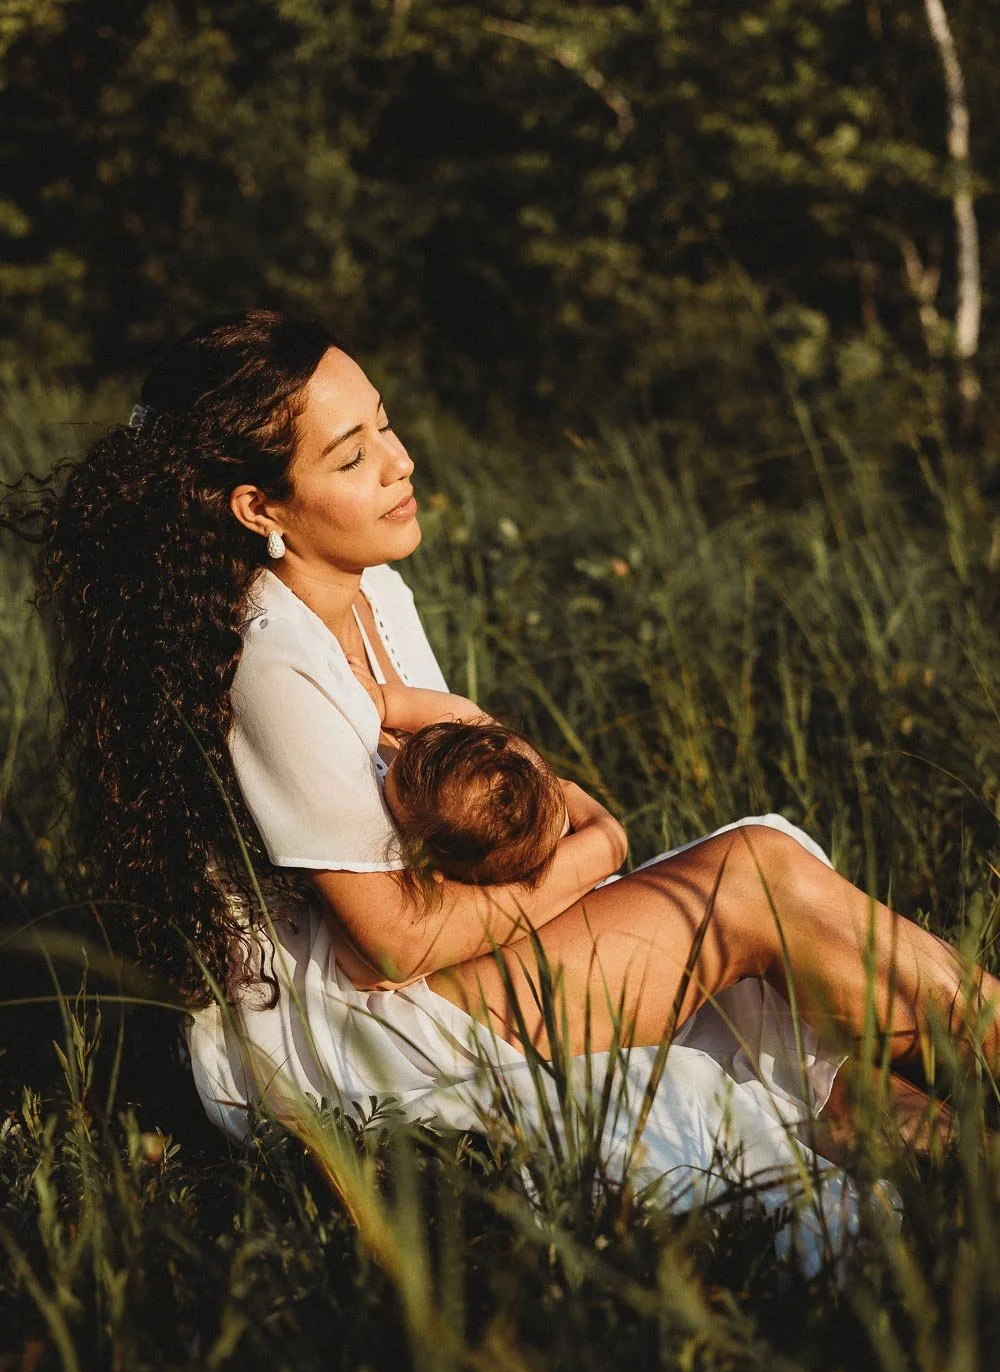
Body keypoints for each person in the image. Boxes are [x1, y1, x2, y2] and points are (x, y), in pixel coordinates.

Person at [34, 310, 990, 1236]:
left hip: (453, 956)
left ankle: (932, 1131)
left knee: (808, 1025)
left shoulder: (374, 591)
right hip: (369, 1029)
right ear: (260, 508)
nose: (399, 462)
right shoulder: (267, 655)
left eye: (384, 424)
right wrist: (599, 851)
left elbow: (468, 814)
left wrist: (506, 779)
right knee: (755, 880)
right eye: (351, 456)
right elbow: (394, 946)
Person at [343, 663, 575, 898]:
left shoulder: (515, 854)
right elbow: (466, 713)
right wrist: (387, 701)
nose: (394, 756)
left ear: (435, 868)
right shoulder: (512, 757)